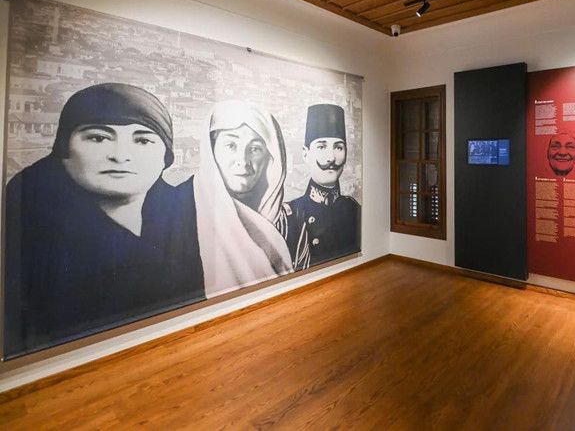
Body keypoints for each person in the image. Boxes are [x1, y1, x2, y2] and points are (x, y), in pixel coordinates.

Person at [3, 83, 204, 359]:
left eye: (142, 140)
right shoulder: (30, 222)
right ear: (64, 148)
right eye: (98, 138)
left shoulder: (188, 215)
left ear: (165, 156)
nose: (120, 155)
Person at [189, 100, 293, 298]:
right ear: (211, 150)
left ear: (270, 157)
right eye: (231, 145)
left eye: (255, 149)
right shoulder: (179, 214)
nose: (243, 162)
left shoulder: (289, 222)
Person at [286, 104, 361, 270]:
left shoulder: (353, 208)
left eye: (338, 147)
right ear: (305, 153)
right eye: (321, 146)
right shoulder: (290, 216)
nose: (331, 158)